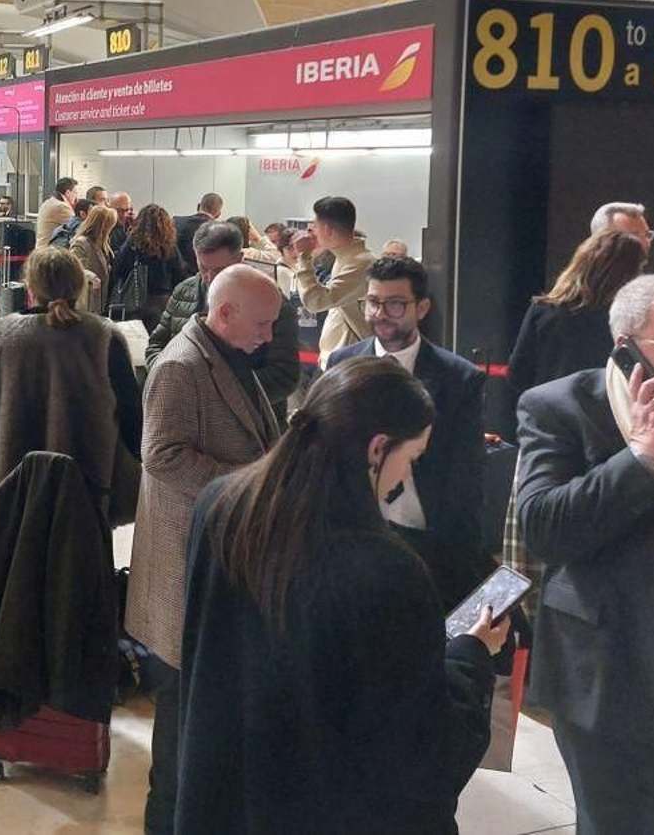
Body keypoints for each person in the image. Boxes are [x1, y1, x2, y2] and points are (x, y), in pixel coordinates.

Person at [178, 357, 507, 833]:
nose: (401, 478)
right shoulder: (386, 570)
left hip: (229, 795)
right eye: (410, 459)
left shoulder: (221, 506)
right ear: (376, 449)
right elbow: (421, 756)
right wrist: (470, 653)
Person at [516, 274, 654, 832]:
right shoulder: (564, 408)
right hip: (615, 683)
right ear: (627, 347)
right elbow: (544, 529)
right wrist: (640, 458)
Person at [129, 265, 284, 834]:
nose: (269, 335)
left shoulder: (229, 355)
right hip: (183, 574)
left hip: (218, 563)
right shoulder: (179, 366)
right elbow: (163, 457)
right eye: (263, 323)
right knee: (175, 744)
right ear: (225, 313)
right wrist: (253, 482)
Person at [327, 257, 490, 606]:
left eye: (395, 304)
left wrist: (461, 560)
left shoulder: (459, 379)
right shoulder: (342, 365)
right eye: (372, 302)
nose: (380, 313)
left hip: (428, 538)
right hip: (353, 535)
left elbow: (466, 479)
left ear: (422, 307)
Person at [0, 246, 142, 527]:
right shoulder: (102, 337)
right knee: (79, 568)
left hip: (12, 494)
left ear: (30, 287)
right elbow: (131, 417)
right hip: (86, 496)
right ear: (80, 286)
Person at [148, 222, 301, 415]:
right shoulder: (184, 291)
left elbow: (284, 376)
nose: (209, 277)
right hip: (185, 414)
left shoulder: (269, 302)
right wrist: (169, 378)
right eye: (203, 267)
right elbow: (156, 344)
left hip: (251, 422)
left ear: (239, 258)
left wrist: (214, 392)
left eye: (219, 269)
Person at [506, 228, 649, 426]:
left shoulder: (543, 309)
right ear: (630, 273)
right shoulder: (629, 320)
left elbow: (518, 375)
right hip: (607, 427)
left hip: (547, 421)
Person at [292, 195, 375, 367]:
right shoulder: (347, 257)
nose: (312, 232)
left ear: (328, 229)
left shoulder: (361, 263)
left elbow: (315, 301)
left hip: (349, 361)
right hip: (339, 357)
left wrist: (304, 257)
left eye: (315, 226)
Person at [110, 203, 186, 331]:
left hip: (136, 299)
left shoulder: (133, 244)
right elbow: (179, 274)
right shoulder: (169, 246)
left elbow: (118, 269)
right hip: (163, 301)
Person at [172, 192, 223, 268]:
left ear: (198, 206)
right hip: (203, 277)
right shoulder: (221, 231)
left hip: (175, 275)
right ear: (219, 215)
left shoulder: (176, 222)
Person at [35, 176, 80, 247]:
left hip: (42, 250)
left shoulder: (49, 202)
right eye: (75, 193)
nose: (77, 197)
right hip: (50, 253)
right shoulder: (62, 207)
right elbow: (78, 228)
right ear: (68, 192)